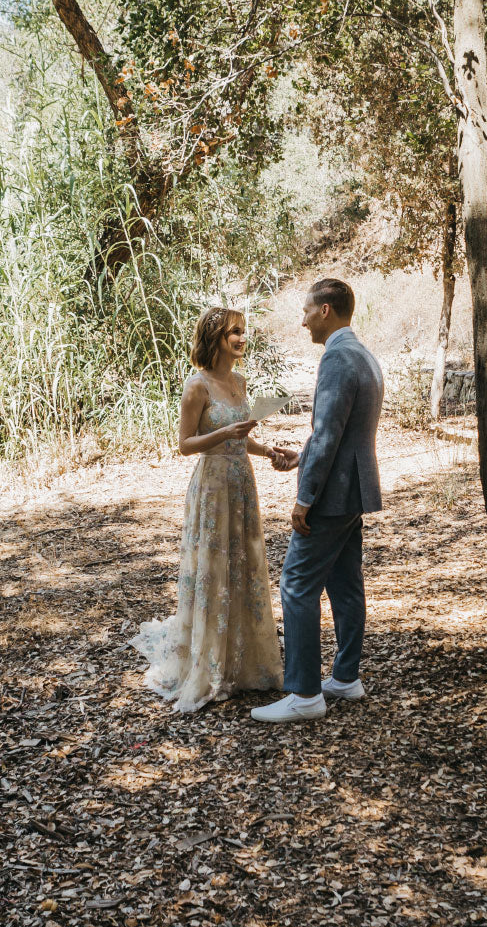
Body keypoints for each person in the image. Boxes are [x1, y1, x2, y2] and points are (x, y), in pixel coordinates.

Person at [132, 306, 284, 713]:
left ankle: (248, 663)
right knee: (215, 568)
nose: (242, 338)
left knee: (244, 565)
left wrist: (267, 449)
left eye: (244, 332)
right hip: (213, 485)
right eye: (235, 332)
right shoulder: (196, 386)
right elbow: (184, 444)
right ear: (215, 337)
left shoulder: (239, 381)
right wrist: (222, 433)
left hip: (242, 482)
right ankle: (212, 665)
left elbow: (241, 437)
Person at [252, 278, 383, 724]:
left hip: (331, 496)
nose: (303, 319)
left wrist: (304, 497)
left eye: (306, 311)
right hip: (355, 492)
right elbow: (338, 433)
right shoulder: (363, 354)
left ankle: (305, 693)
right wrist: (299, 458)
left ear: (325, 311)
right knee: (345, 584)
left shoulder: (337, 359)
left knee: (296, 583)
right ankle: (346, 677)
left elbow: (328, 435)